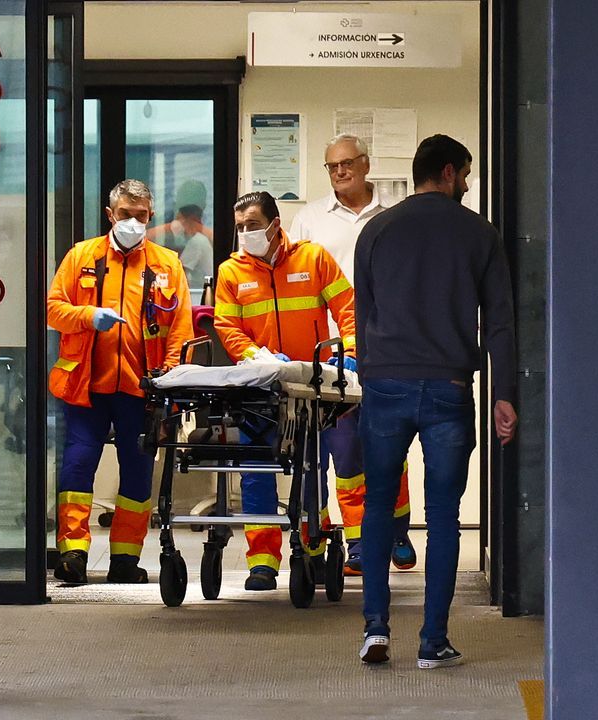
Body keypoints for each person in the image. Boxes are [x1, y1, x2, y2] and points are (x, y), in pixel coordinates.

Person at [354, 134, 517, 669]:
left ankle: (375, 630)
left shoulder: (376, 229)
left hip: (385, 385)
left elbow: (364, 315)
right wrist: (504, 395)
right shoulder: (480, 233)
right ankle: (433, 642)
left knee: (377, 505)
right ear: (448, 173)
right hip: (449, 387)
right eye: (465, 175)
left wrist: (375, 375)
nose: (467, 185)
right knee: (443, 514)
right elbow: (499, 322)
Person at [48, 178, 193, 585]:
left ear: (151, 216)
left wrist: (168, 379)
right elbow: (53, 310)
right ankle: (73, 554)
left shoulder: (167, 264)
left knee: (137, 473)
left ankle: (125, 559)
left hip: (142, 389)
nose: (133, 222)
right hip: (85, 386)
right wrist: (87, 317)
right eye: (125, 215)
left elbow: (179, 330)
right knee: (77, 468)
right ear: (110, 215)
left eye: (141, 216)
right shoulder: (82, 256)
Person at [213, 191, 354, 591]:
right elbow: (226, 325)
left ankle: (312, 545)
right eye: (240, 227)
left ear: (275, 224)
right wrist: (255, 354)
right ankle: (262, 561)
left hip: (311, 384)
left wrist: (351, 357)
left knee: (312, 469)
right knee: (257, 470)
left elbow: (348, 308)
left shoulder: (313, 258)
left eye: (253, 225)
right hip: (259, 385)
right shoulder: (231, 272)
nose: (246, 233)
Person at [291, 134, 416, 576]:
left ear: (365, 164)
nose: (340, 172)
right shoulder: (309, 220)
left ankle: (398, 530)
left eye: (347, 163)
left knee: (389, 444)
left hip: (387, 349)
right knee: (344, 451)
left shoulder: (395, 216)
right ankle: (361, 542)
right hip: (332, 355)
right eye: (332, 166)